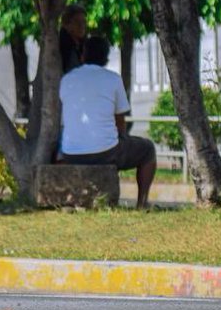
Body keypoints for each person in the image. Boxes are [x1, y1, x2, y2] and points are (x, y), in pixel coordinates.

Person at [59, 35, 156, 209]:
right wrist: (121, 137)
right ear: (106, 58)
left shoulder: (67, 79)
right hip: (105, 152)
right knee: (148, 149)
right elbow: (120, 120)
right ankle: (142, 203)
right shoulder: (113, 79)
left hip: (70, 152)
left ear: (83, 56)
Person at [60, 3, 87, 74]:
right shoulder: (63, 49)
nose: (81, 26)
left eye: (83, 22)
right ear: (66, 25)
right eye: (76, 22)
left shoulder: (83, 47)